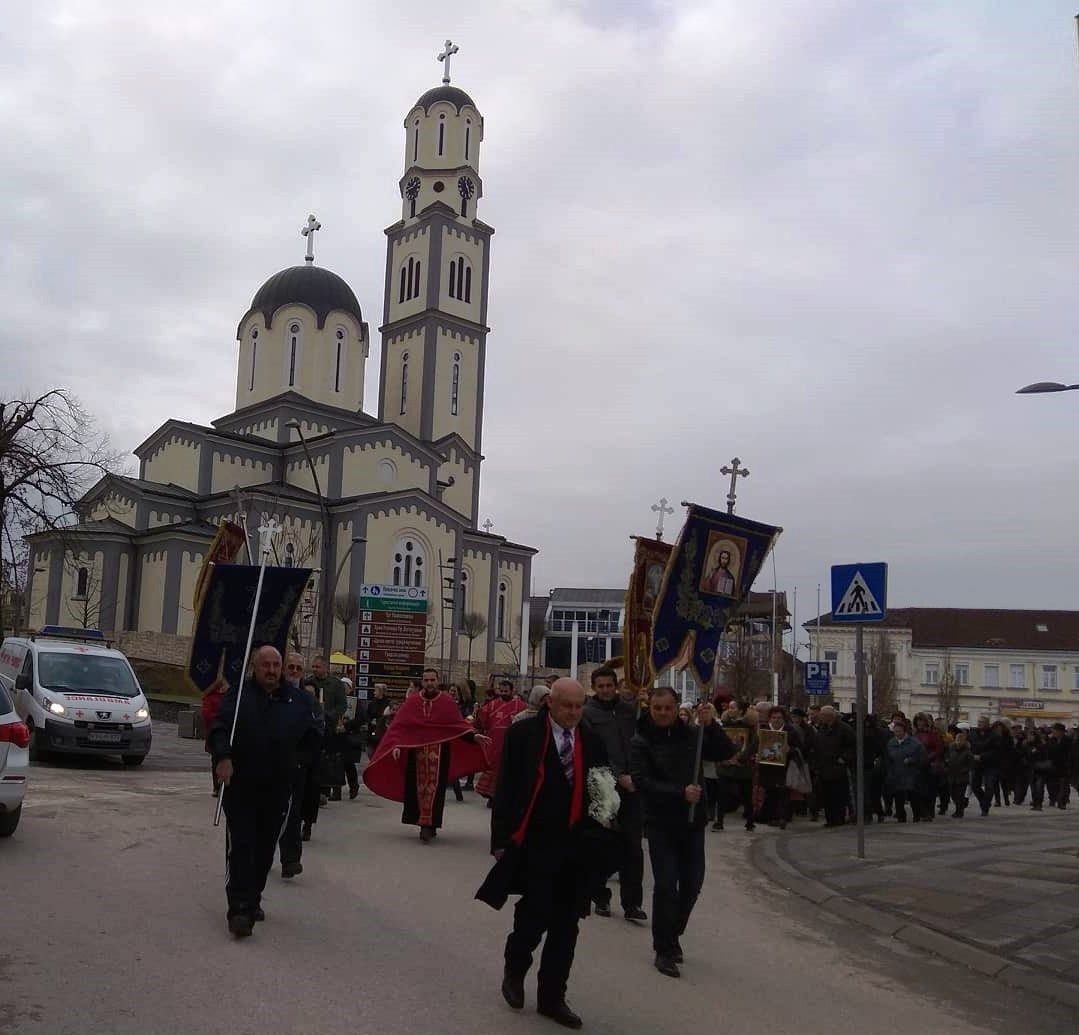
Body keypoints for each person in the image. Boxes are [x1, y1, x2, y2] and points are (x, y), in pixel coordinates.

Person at [478, 678, 608, 1030]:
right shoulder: (524, 735)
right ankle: (515, 969)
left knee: (567, 926)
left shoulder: (593, 742)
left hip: (576, 848)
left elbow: (602, 794)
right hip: (535, 842)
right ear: (551, 702)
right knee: (533, 916)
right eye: (568, 706)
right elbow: (506, 788)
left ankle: (553, 997)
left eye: (579, 706)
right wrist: (501, 840)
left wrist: (603, 838)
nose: (574, 713)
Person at [209, 645, 320, 938]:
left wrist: (298, 763)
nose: (271, 670)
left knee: (265, 850)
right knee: (241, 846)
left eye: (276, 665)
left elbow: (313, 738)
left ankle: (253, 897)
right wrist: (223, 757)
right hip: (242, 786)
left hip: (279, 787)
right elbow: (219, 728)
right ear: (254, 667)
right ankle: (238, 909)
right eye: (265, 665)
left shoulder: (299, 701)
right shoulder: (239, 696)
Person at [631, 686, 736, 978]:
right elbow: (642, 781)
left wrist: (711, 724)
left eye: (668, 707)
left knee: (692, 885)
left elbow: (726, 752)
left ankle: (673, 932)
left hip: (692, 823)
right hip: (661, 823)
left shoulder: (692, 735)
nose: (663, 713)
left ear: (677, 707)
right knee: (666, 886)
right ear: (650, 708)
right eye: (657, 708)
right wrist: (680, 792)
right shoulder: (641, 739)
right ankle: (663, 949)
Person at [363, 668, 489, 842]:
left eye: (432, 680)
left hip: (440, 752)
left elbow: (456, 726)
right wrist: (396, 745)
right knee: (417, 789)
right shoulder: (413, 701)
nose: (429, 683)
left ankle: (430, 824)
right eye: (426, 680)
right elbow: (400, 726)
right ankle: (423, 824)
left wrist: (473, 736)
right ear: (422, 682)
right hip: (416, 753)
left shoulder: (446, 701)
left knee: (435, 790)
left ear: (437, 681)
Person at [583, 665, 646, 922]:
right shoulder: (587, 713)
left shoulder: (629, 710)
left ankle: (632, 904)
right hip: (604, 786)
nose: (606, 690)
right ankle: (600, 896)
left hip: (632, 786)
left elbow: (642, 742)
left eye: (610, 685)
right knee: (602, 844)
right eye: (601, 686)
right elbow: (592, 750)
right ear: (594, 687)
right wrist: (617, 775)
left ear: (616, 686)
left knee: (633, 846)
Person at [278, 652, 316, 877]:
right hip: (270, 763)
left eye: (298, 668)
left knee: (292, 813)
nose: (293, 672)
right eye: (290, 667)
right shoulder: (272, 694)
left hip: (296, 765)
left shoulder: (306, 699)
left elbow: (316, 730)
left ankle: (290, 859)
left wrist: (303, 758)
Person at [475, 678, 528, 803]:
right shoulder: (492, 705)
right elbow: (482, 719)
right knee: (493, 767)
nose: (503, 693)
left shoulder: (521, 706)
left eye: (506, 691)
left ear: (512, 691)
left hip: (512, 743)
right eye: (501, 691)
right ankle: (491, 795)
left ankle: (502, 796)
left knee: (507, 770)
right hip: (494, 743)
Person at [311, 657, 352, 800]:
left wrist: (329, 715)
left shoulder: (336, 684)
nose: (314, 669)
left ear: (325, 668)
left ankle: (329, 789)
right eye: (313, 667)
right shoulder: (310, 682)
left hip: (330, 728)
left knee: (330, 759)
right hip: (313, 727)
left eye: (317, 667)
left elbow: (342, 705)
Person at [812, 706, 855, 827]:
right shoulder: (822, 729)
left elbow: (852, 746)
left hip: (838, 768)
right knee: (827, 796)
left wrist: (844, 758)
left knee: (839, 795)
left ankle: (839, 818)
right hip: (824, 768)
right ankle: (830, 819)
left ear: (830, 716)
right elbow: (817, 746)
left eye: (823, 715)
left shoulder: (844, 728)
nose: (821, 717)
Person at [885, 717, 927, 822]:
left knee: (913, 795)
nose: (897, 734)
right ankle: (901, 816)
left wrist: (912, 760)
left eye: (899, 731)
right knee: (898, 796)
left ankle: (917, 815)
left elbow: (922, 757)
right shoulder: (891, 743)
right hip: (897, 773)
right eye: (895, 731)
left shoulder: (915, 743)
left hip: (911, 773)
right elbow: (888, 758)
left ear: (904, 731)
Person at [200, 675, 228, 797]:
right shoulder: (210, 698)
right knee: (216, 760)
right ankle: (217, 787)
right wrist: (221, 718)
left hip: (227, 732)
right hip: (214, 733)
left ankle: (225, 786)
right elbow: (206, 714)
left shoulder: (229, 698)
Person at [969, 716, 1002, 816]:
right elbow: (970, 746)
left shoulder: (994, 735)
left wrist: (982, 756)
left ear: (987, 724)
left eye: (982, 722)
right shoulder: (973, 733)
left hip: (991, 764)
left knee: (989, 786)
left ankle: (985, 807)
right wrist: (972, 756)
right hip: (977, 764)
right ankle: (984, 802)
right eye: (979, 722)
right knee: (975, 786)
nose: (979, 724)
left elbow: (996, 751)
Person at [945, 729, 973, 817]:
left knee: (960, 795)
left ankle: (959, 811)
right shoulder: (951, 748)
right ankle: (960, 807)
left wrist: (965, 769)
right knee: (953, 794)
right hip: (952, 775)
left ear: (964, 741)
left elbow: (971, 764)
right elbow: (947, 756)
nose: (959, 742)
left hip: (962, 777)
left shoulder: (967, 751)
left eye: (961, 740)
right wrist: (947, 763)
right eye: (957, 740)